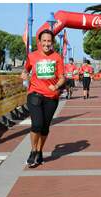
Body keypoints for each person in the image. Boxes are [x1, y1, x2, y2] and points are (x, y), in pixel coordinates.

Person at [20, 29, 65, 167]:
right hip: (35, 94)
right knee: (37, 124)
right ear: (39, 42)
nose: (46, 43)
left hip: (51, 97)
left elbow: (62, 77)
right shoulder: (32, 56)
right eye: (44, 41)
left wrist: (56, 86)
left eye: (49, 41)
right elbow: (25, 70)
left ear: (52, 43)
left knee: (45, 127)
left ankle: (39, 151)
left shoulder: (57, 57)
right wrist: (24, 75)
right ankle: (33, 151)